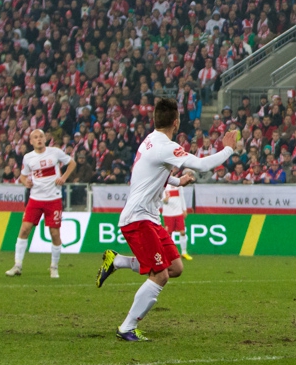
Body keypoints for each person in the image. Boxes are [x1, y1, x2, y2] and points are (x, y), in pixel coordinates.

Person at [95, 98, 235, 341]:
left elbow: (149, 172)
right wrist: (229, 149)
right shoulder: (165, 146)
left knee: (175, 267)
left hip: (149, 217)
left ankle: (116, 261)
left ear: (154, 120)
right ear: (176, 121)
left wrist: (177, 181)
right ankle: (126, 327)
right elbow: (201, 164)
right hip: (137, 218)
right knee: (161, 275)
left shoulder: (149, 141)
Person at [5, 129, 77, 279]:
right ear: (31, 141)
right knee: (24, 229)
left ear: (45, 139)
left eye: (41, 137)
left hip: (53, 198)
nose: (39, 139)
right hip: (35, 199)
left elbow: (72, 163)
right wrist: (27, 182)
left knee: (54, 233)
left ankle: (54, 267)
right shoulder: (28, 158)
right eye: (35, 137)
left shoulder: (55, 152)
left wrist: (63, 177)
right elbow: (23, 177)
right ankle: (17, 265)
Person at [161, 168, 194, 261]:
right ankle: (168, 253)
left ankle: (184, 252)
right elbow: (160, 198)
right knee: (168, 234)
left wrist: (184, 209)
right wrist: (164, 200)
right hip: (168, 212)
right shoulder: (162, 183)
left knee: (182, 232)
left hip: (178, 211)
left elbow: (181, 196)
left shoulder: (177, 182)